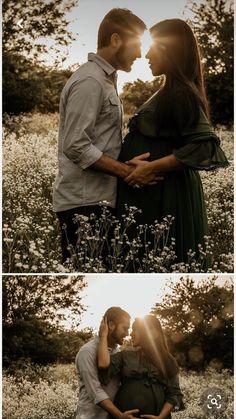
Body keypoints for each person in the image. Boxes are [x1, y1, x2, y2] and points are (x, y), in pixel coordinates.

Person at [116, 19, 229, 267]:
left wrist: (151, 167)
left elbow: (205, 146)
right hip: (154, 194)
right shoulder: (170, 90)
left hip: (167, 195)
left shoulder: (181, 93)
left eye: (153, 47)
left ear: (171, 50)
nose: (146, 54)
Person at [53, 8, 148, 264]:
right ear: (116, 40)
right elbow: (75, 145)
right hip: (84, 205)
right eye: (136, 44)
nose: (140, 54)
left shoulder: (105, 81)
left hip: (98, 201)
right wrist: (127, 172)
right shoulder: (90, 82)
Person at [98, 315, 184, 419]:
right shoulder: (125, 355)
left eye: (135, 330)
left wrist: (160, 417)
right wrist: (103, 335)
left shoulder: (168, 361)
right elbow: (103, 365)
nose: (131, 334)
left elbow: (174, 394)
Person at [75, 306, 139, 419]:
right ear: (111, 326)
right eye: (124, 328)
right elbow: (95, 391)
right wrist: (120, 416)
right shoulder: (87, 352)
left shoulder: (117, 352)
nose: (127, 333)